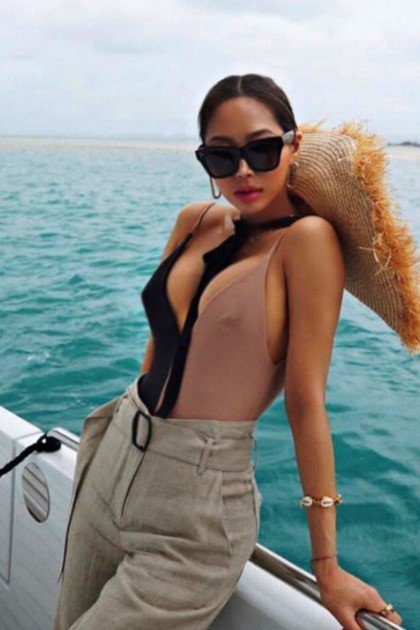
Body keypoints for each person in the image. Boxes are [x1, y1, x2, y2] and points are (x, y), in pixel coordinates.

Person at [53, 73, 403, 629]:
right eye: (222, 156)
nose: (243, 171)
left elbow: (306, 402)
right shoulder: (194, 222)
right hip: (114, 452)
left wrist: (327, 566)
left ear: (294, 145)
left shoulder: (308, 242)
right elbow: (158, 345)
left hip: (195, 506)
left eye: (261, 150)